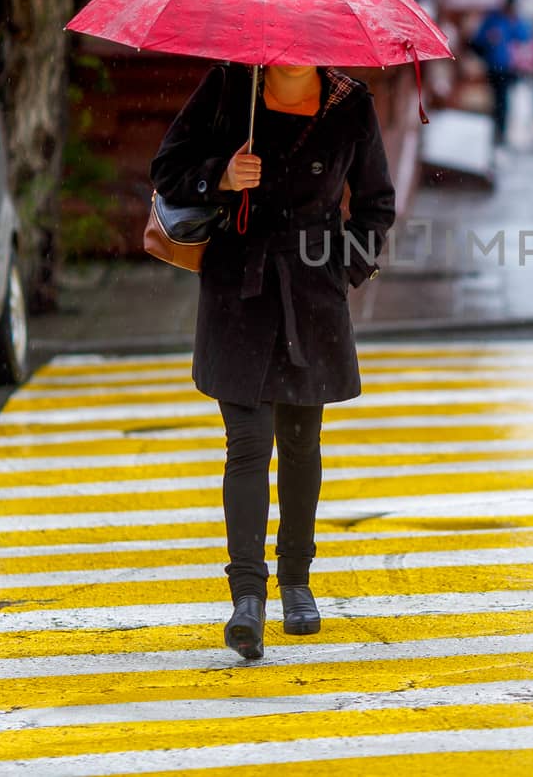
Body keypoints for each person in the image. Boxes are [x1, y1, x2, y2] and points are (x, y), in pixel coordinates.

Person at [150, 62, 396, 661]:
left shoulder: (350, 104)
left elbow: (376, 205)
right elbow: (168, 172)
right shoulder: (231, 86)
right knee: (248, 442)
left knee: (301, 441)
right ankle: (247, 598)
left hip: (312, 292)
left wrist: (344, 271)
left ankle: (297, 581)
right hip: (238, 287)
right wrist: (222, 177)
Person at [470, 0, 533, 145]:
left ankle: (501, 130)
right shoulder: (493, 19)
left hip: (509, 67)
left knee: (503, 99)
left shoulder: (516, 21)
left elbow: (525, 37)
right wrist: (488, 38)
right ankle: (496, 128)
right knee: (496, 98)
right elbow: (478, 38)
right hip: (493, 65)